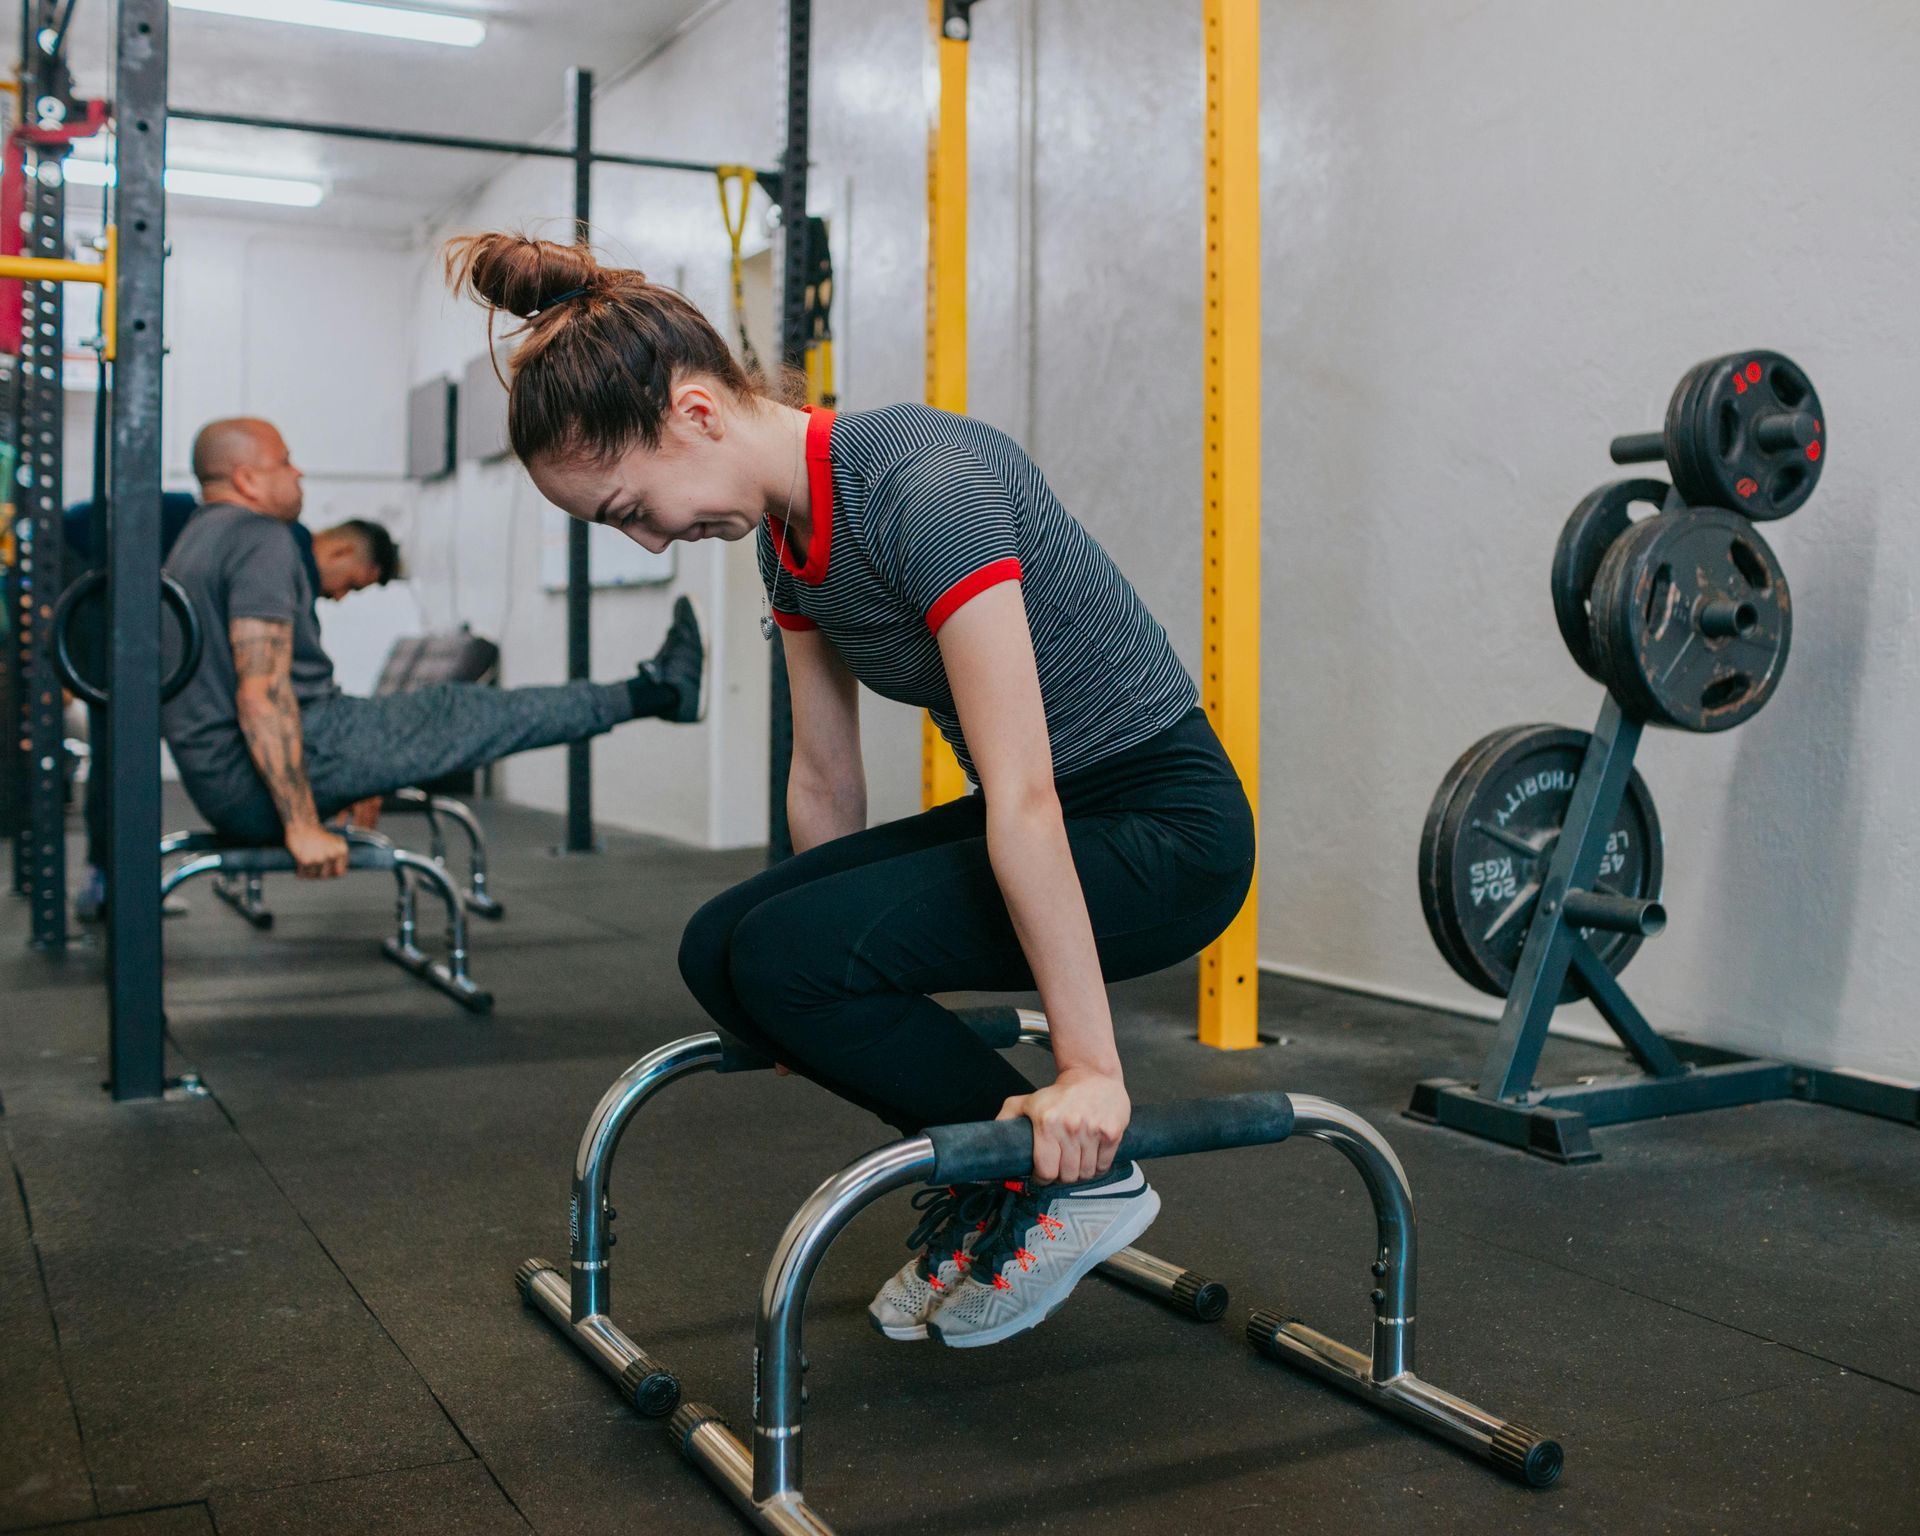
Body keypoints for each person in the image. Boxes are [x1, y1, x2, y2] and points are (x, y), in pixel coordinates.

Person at [446, 234, 1255, 1349]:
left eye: (634, 506)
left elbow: (1023, 796)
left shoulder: (923, 484)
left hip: (1163, 830)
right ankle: (1006, 1176)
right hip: (1061, 810)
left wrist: (1090, 1071)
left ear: (696, 414)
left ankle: (1079, 1182)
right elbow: (825, 775)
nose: (649, 537)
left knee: (787, 957)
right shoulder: (788, 540)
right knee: (726, 947)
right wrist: (796, 994)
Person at [161, 417, 705, 877]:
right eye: (286, 462)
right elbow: (262, 692)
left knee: (442, 715)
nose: (298, 471)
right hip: (271, 773)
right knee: (465, 711)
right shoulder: (260, 539)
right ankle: (657, 691)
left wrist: (359, 768)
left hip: (226, 781)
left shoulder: (193, 541)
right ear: (248, 479)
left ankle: (653, 689)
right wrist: (302, 822)